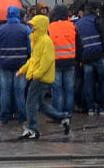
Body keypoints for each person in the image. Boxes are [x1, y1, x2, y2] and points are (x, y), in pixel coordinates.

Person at [19, 11, 71, 140]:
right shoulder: (38, 40)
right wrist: (23, 69)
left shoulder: (44, 41)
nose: (31, 27)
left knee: (30, 103)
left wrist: (36, 74)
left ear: (39, 26)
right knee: (40, 103)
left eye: (33, 25)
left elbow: (46, 61)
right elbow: (33, 59)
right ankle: (63, 118)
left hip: (40, 78)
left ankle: (33, 129)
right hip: (39, 77)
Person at [0, 7, 31, 123]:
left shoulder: (0, 29)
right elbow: (30, 48)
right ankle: (22, 117)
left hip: (5, 64)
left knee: (5, 92)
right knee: (20, 92)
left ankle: (4, 117)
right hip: (21, 65)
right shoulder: (25, 29)